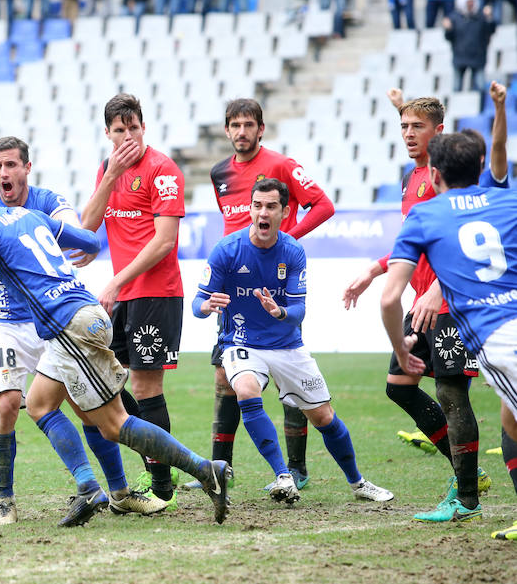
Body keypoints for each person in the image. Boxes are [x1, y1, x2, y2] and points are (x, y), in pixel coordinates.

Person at [0, 159, 232, 525]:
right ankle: (88, 488)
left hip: (71, 325)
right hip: (78, 317)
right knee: (39, 404)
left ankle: (206, 470)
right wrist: (84, 251)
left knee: (113, 424)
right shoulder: (30, 215)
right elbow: (89, 240)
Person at [0, 137, 167, 525]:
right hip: (4, 321)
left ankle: (118, 494)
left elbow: (79, 232)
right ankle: (6, 502)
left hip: (51, 320)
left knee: (87, 408)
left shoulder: (47, 202)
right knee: (8, 404)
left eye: (10, 165)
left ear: (27, 168)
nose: (3, 174)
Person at [193, 179, 394, 504]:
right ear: (250, 209)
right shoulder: (226, 250)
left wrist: (279, 311)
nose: (263, 212)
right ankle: (283, 476)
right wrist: (205, 306)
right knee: (246, 389)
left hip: (287, 345)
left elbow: (299, 309)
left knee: (324, 417)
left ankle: (358, 483)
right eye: (257, 205)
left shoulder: (292, 251)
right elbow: (197, 304)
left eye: (271, 206)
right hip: (241, 343)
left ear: (284, 212)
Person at [343, 96, 490, 521]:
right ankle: (468, 471)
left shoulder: (448, 178)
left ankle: (467, 497)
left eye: (417, 126)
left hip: (449, 300)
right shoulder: (412, 178)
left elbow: (463, 237)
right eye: (404, 125)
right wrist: (373, 271)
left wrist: (439, 289)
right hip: (422, 300)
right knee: (399, 385)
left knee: (450, 392)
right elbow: (414, 241)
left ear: (438, 131)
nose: (408, 133)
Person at [380, 132, 517, 537]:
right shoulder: (506, 201)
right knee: (509, 418)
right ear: (480, 168)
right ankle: (468, 489)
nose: (408, 132)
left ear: (436, 174)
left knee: (466, 399)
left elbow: (389, 299)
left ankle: (468, 495)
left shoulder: (427, 215)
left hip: (494, 332)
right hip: (487, 324)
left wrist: (401, 346)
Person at [200, 98, 335, 493]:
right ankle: (220, 467)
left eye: (249, 125)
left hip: (275, 288)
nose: (241, 132)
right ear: (226, 130)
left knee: (286, 375)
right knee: (225, 377)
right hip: (235, 289)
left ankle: (297, 468)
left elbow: (323, 205)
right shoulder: (219, 172)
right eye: (235, 125)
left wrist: (287, 240)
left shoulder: (282, 165)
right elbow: (232, 227)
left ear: (261, 129)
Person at [80, 93, 186, 509]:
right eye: (119, 130)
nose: (127, 137)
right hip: (123, 294)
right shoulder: (107, 169)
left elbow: (164, 241)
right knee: (111, 381)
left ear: (144, 127)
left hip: (156, 292)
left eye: (133, 128)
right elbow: (88, 227)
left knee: (144, 385)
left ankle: (162, 486)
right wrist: (110, 176)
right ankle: (159, 465)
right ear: (107, 133)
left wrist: (114, 282)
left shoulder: (163, 170)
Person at [442, 0, 496, 93]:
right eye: (468, 2)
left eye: (472, 2)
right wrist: (448, 29)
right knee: (456, 88)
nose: (471, 4)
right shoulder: (455, 18)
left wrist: (489, 17)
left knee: (480, 87)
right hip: (460, 57)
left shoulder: (481, 16)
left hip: (478, 56)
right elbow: (449, 37)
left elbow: (491, 30)